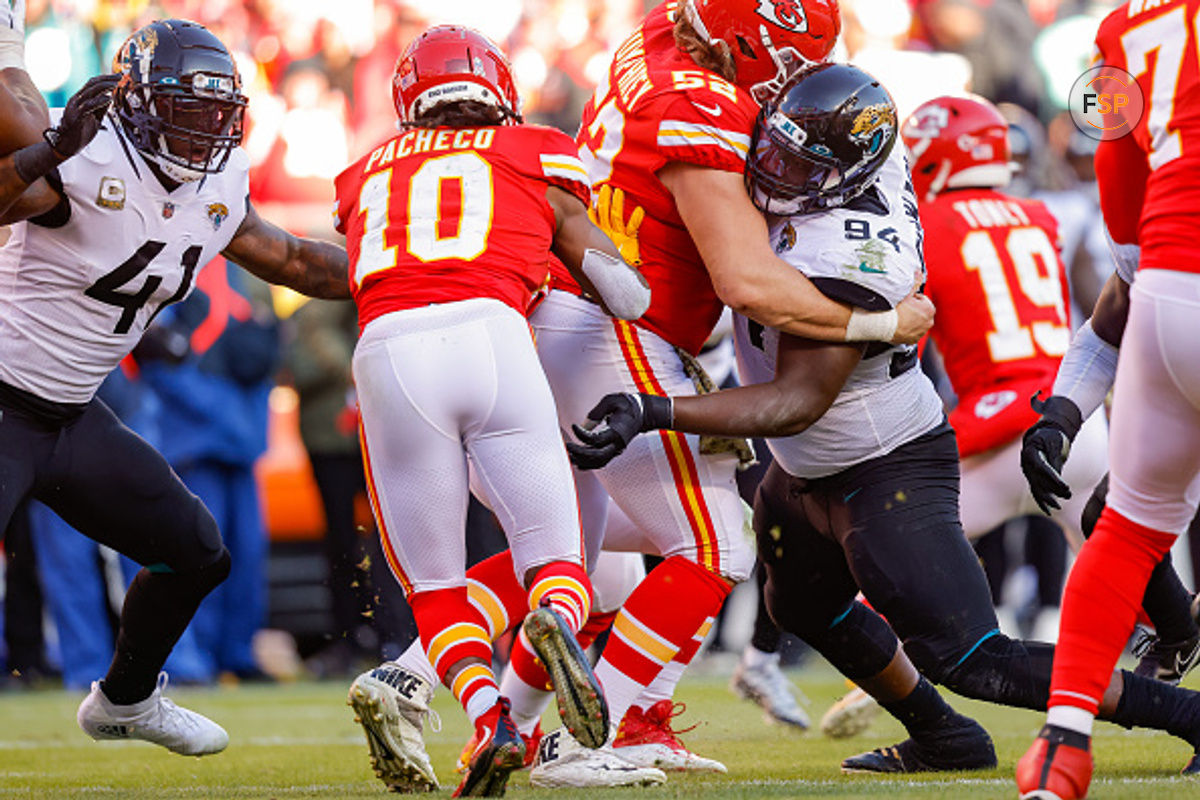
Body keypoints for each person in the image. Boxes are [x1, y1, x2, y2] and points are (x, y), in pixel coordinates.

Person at [569, 61, 1200, 778]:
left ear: (847, 176)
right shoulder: (853, 148)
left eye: (798, 164)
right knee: (803, 606)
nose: (772, 169)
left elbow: (795, 400)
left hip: (883, 462)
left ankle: (1188, 714)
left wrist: (658, 410)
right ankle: (944, 736)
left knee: (971, 656)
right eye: (773, 147)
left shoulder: (853, 252)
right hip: (810, 465)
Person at [0, 17, 352, 756]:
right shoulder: (85, 146)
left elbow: (290, 259)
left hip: (71, 415)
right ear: (136, 102)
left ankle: (125, 701)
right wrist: (45, 154)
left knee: (194, 552)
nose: (204, 132)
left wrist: (417, 276)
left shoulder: (218, 179)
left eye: (217, 115)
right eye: (186, 111)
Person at [334, 25, 650, 797]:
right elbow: (625, 292)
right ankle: (557, 621)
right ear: (499, 94)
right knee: (558, 556)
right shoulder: (532, 147)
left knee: (435, 583)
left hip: (390, 353)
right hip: (495, 336)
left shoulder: (359, 174)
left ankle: (488, 717)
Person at [1016, 1, 1200, 794]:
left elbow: (1126, 248)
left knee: (1126, 525)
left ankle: (1059, 754)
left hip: (1162, 284)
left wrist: (1063, 409)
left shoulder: (1122, 26)